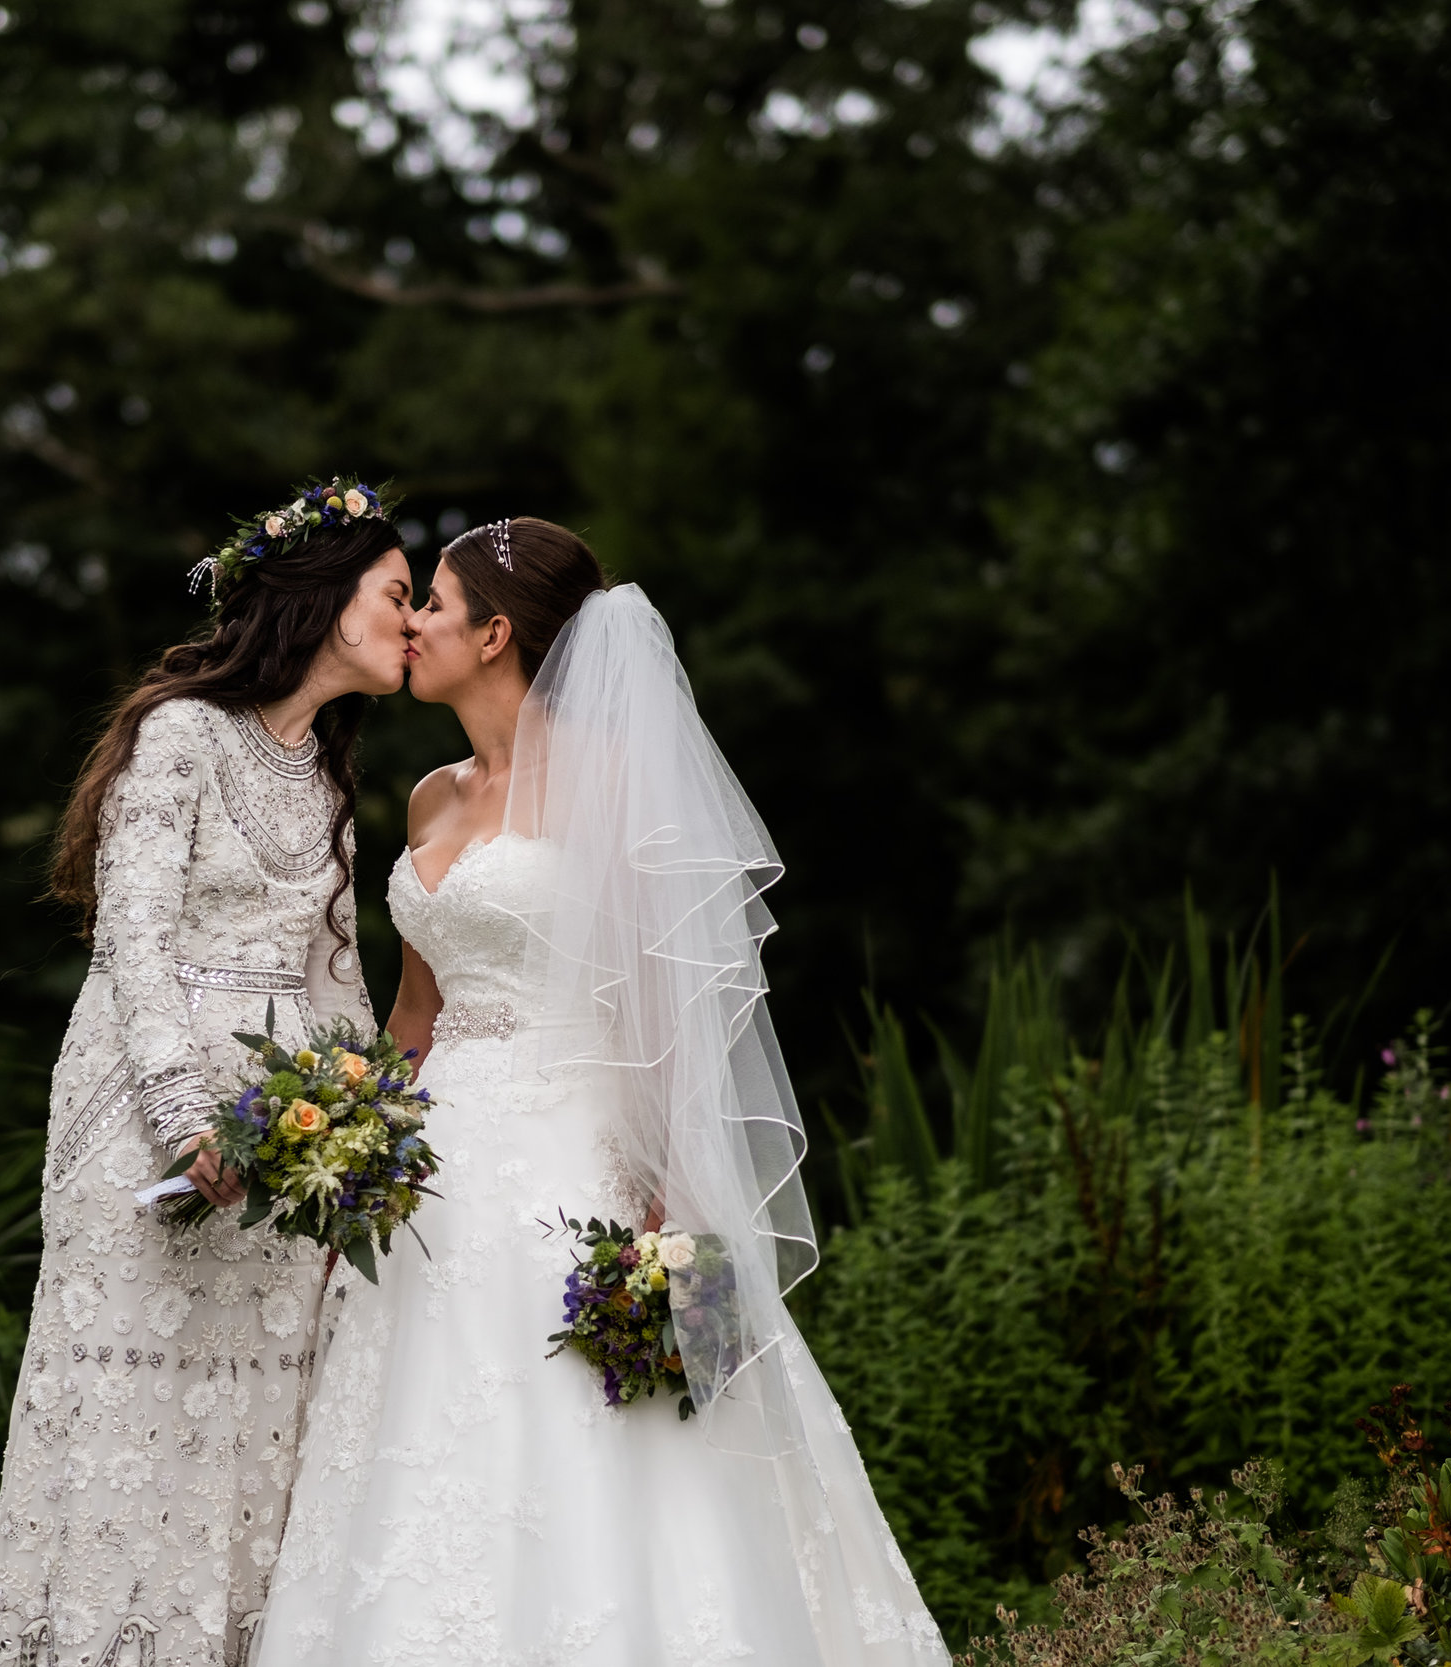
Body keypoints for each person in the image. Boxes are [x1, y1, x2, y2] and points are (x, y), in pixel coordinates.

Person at [253, 518, 949, 1666]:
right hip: (428, 1184)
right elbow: (416, 1014)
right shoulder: (430, 797)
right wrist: (348, 1152)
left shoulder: (613, 790)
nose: (408, 623)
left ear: (494, 632)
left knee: (605, 1443)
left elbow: (669, 1023)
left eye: (429, 601)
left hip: (570, 1166)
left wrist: (676, 1217)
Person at [0, 480, 413, 1667]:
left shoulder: (327, 782)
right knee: (129, 1412)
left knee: (253, 1425)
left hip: (284, 1139)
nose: (412, 623)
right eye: (396, 595)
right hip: (145, 1116)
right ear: (323, 605)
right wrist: (182, 1117)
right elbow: (133, 935)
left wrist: (368, 1135)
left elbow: (335, 981)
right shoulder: (181, 735)